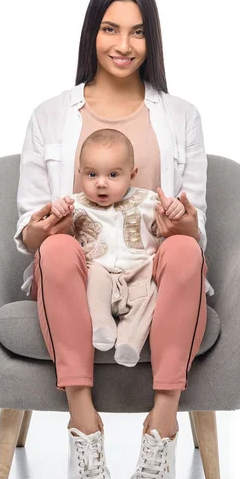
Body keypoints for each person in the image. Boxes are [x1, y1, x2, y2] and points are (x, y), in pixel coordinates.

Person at [13, 0, 214, 479]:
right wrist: (44, 224)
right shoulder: (51, 115)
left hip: (154, 265)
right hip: (80, 268)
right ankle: (85, 427)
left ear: (152, 41)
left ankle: (162, 426)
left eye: (138, 32)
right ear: (92, 33)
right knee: (54, 249)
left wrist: (186, 223)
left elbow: (197, 232)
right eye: (110, 28)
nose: (123, 44)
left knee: (187, 253)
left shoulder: (182, 116)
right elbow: (26, 234)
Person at [49, 127, 187, 368]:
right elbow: (59, 239)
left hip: (138, 272)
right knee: (94, 276)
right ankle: (101, 323)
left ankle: (129, 341)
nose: (101, 184)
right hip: (98, 273)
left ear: (131, 174)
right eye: (92, 175)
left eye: (113, 175)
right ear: (79, 172)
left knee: (151, 293)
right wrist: (58, 213)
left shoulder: (148, 201)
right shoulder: (76, 206)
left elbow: (166, 227)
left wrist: (175, 211)